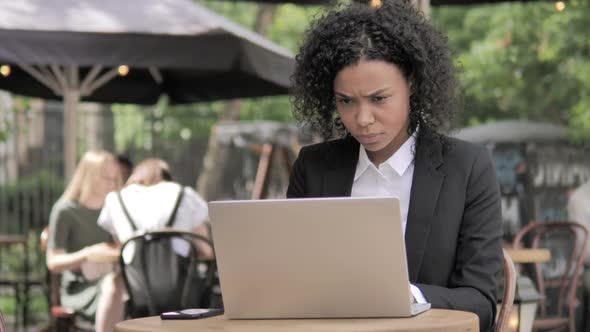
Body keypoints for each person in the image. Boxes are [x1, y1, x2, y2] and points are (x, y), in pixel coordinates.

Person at [286, 1, 503, 331]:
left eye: (378, 99)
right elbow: (291, 280)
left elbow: (481, 301)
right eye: (346, 101)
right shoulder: (312, 167)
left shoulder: (468, 168)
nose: (362, 120)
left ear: (412, 85)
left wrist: (409, 295)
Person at [46, 150, 124, 332]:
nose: (112, 184)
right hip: (80, 287)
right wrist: (88, 254)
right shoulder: (65, 210)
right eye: (106, 178)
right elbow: (53, 262)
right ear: (89, 176)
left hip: (115, 277)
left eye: (115, 179)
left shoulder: (115, 209)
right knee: (115, 287)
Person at [97, 158, 213, 259]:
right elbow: (206, 249)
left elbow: (121, 247)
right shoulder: (185, 194)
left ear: (135, 177)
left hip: (134, 280)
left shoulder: (116, 199)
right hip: (182, 280)